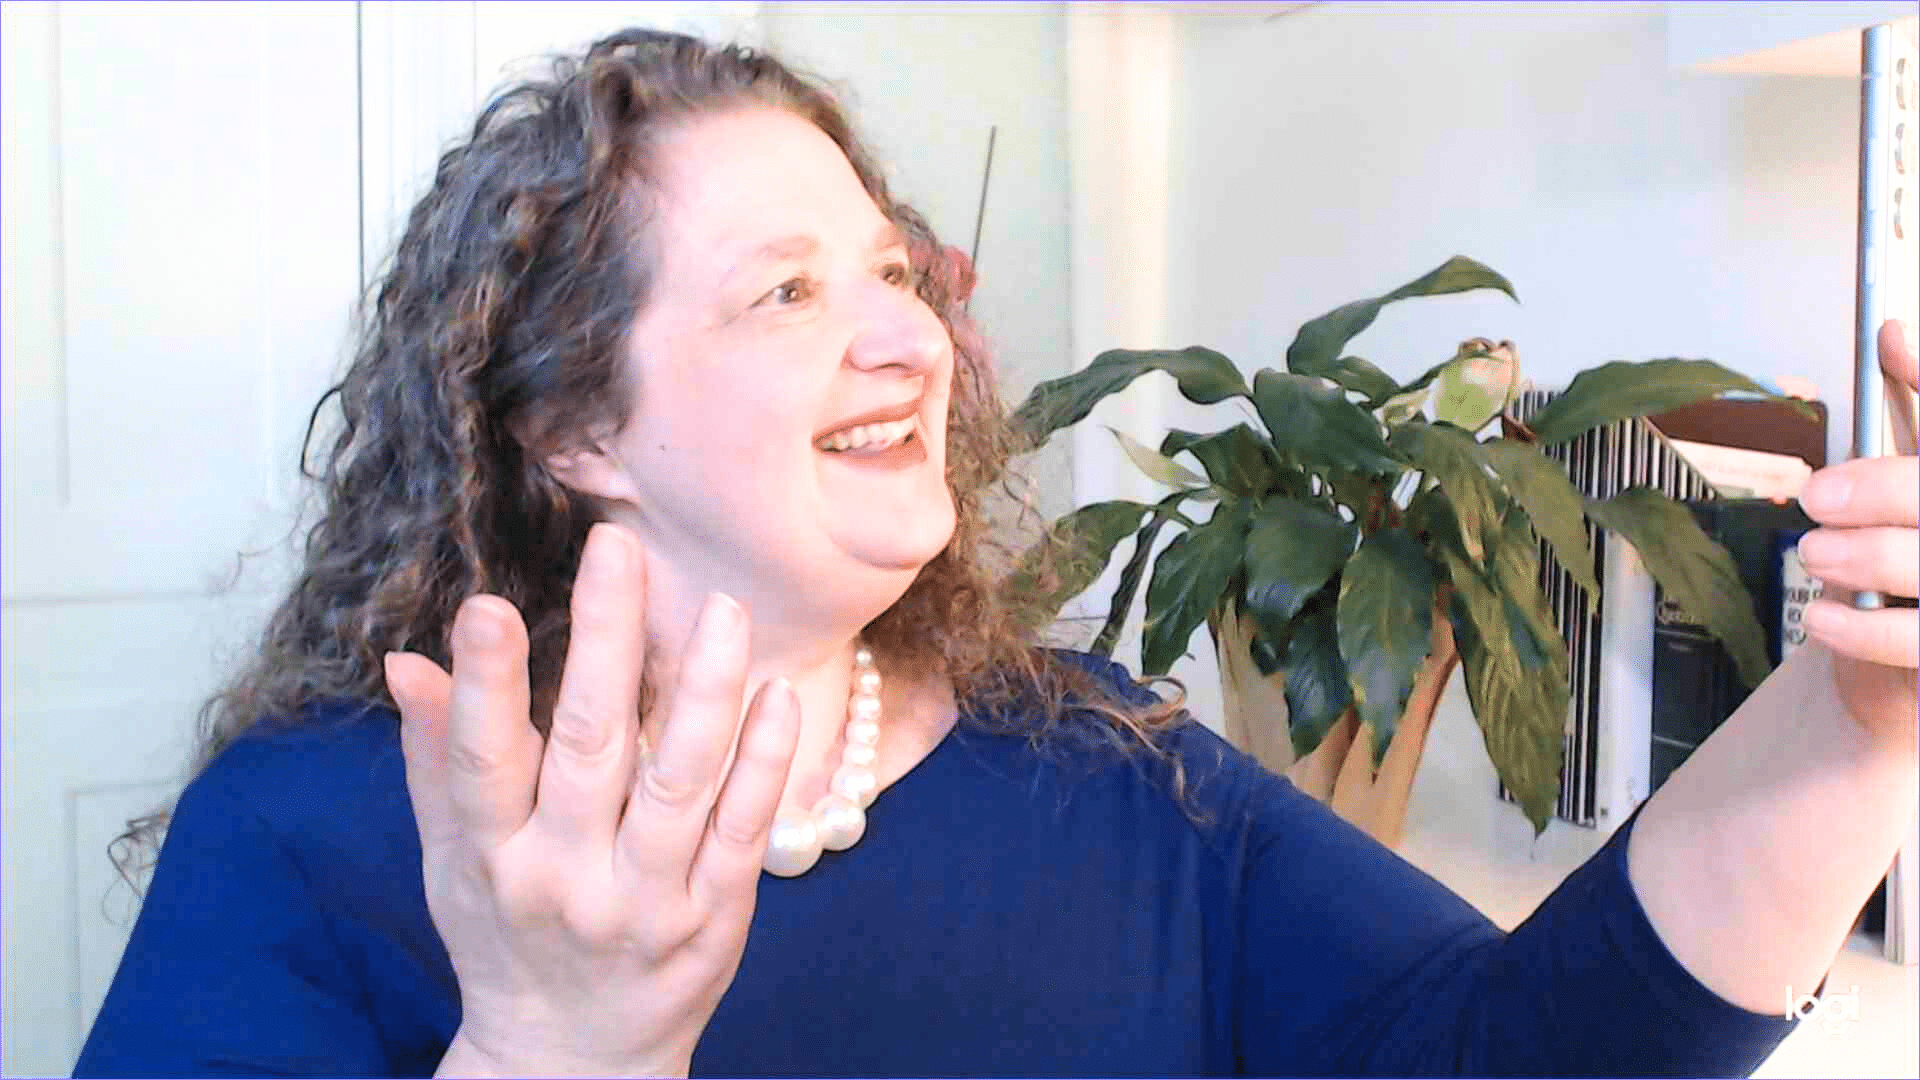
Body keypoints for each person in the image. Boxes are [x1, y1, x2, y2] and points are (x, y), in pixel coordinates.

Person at [74, 28, 1918, 1079]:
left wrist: (1863, 713)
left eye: (890, 270)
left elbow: (1524, 1059)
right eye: (786, 292)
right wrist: (552, 1051)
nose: (909, 339)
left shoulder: (1107, 770)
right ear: (576, 433)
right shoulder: (307, 840)